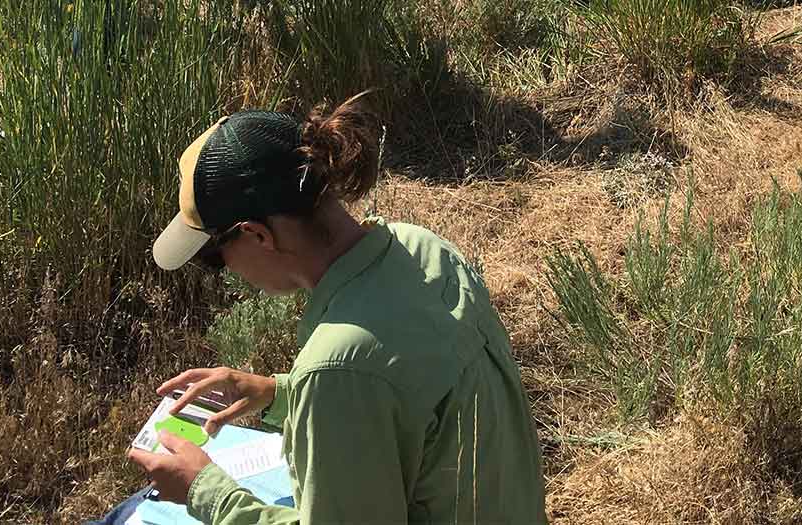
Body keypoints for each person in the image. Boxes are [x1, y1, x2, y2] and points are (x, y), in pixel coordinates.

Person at [128, 94, 547, 524]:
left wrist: (205, 492)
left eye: (215, 257)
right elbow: (407, 395)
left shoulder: (335, 371)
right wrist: (281, 393)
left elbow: (358, 379)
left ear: (257, 235)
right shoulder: (423, 249)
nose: (228, 271)